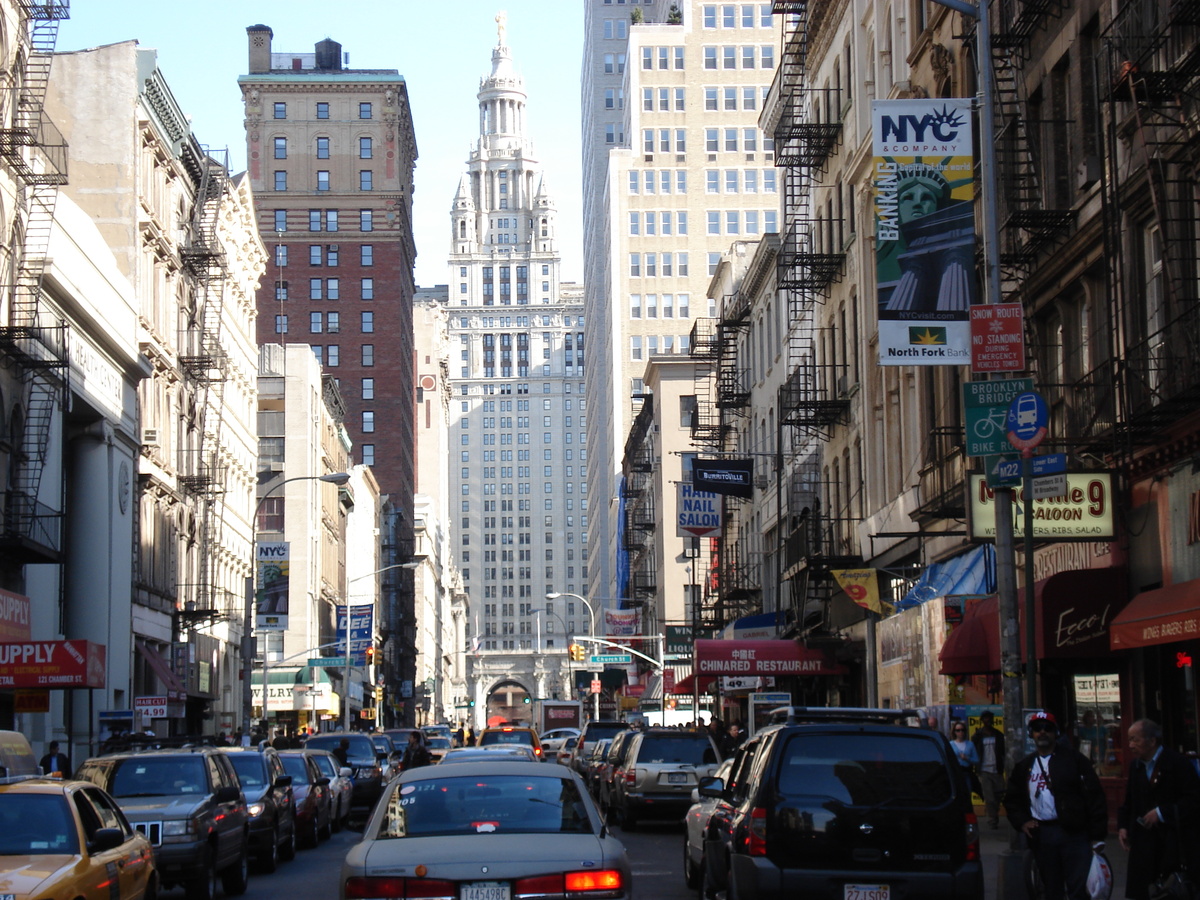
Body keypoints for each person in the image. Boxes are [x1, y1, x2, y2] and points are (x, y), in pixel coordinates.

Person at [1004, 711, 1108, 900]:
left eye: (1047, 728)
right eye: (1037, 729)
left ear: (1056, 732)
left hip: (1074, 834)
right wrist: (1023, 821)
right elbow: (1012, 799)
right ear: (1031, 733)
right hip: (1043, 834)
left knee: (1078, 888)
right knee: (1051, 889)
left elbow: (1094, 797)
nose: (1042, 732)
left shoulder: (1074, 760)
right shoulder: (1024, 766)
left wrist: (1097, 836)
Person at [1117, 719, 1200, 900]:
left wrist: (1162, 813)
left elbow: (1193, 801)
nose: (1130, 745)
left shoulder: (1178, 763)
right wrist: (1123, 826)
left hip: (1173, 845)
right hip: (1143, 844)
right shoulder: (1136, 766)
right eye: (1129, 740)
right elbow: (1129, 801)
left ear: (1152, 741)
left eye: (1135, 740)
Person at [972, 710, 1007, 829]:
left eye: (989, 718)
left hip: (996, 769)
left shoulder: (998, 735)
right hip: (984, 770)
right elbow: (974, 751)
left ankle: (994, 813)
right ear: (982, 721)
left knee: (999, 795)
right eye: (985, 718)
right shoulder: (977, 736)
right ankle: (992, 820)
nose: (987, 721)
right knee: (989, 797)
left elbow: (1003, 752)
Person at [949, 720, 981, 796]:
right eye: (958, 730)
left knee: (967, 792)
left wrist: (967, 758)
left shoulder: (970, 744)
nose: (960, 732)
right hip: (955, 773)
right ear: (954, 732)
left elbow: (976, 760)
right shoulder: (951, 744)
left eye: (962, 730)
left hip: (967, 772)